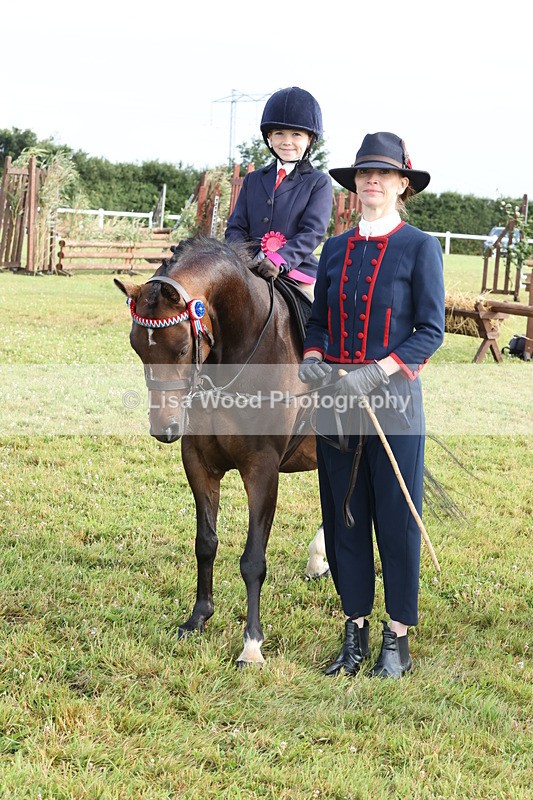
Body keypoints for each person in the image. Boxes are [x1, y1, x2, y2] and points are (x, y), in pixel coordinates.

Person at [298, 131, 445, 678]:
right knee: (344, 519)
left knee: (396, 520)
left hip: (395, 408)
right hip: (336, 407)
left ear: (403, 185)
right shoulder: (334, 249)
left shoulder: (420, 247)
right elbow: (318, 322)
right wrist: (315, 355)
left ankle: (397, 637)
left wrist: (376, 372)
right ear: (355, 184)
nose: (372, 182)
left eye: (383, 174)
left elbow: (430, 331)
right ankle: (354, 629)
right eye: (364, 174)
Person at [224, 86, 332, 297]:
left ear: (309, 139)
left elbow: (312, 232)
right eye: (279, 133)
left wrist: (280, 260)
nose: (287, 141)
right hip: (249, 269)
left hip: (297, 272)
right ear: (269, 138)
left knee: (316, 320)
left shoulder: (318, 182)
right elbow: (236, 227)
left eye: (296, 134)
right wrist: (244, 259)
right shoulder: (253, 180)